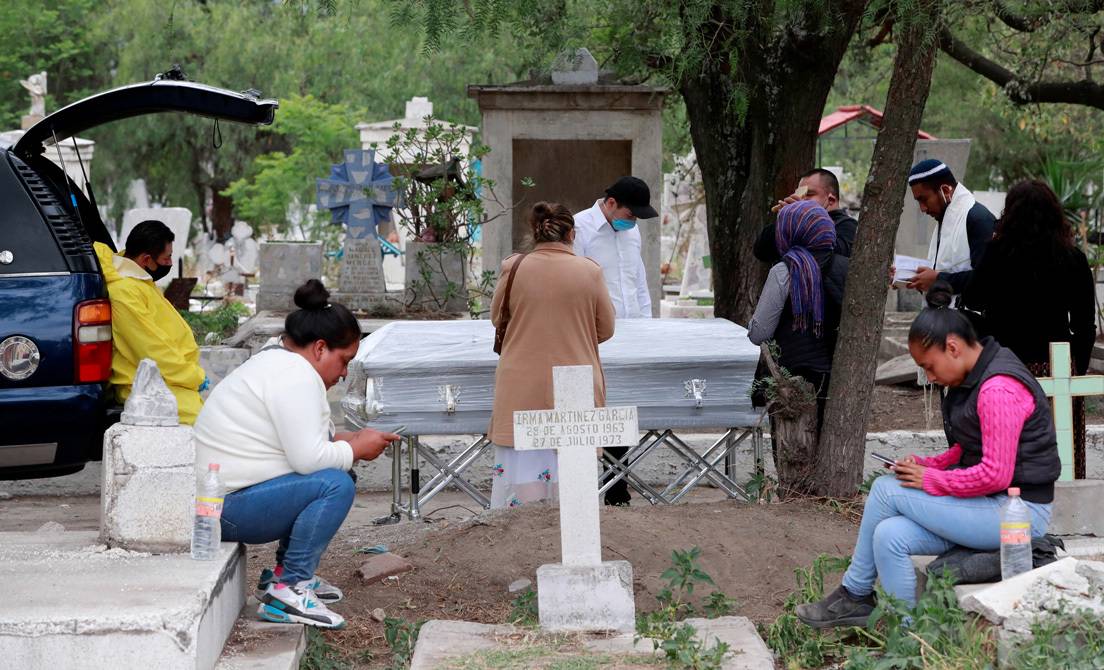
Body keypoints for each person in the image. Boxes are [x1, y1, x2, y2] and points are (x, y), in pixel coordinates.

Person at [796, 282, 1059, 629]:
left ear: (952, 347)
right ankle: (908, 637)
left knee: (887, 490)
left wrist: (931, 480)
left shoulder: (998, 388)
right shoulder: (974, 378)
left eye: (929, 366)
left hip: (1019, 514)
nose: (930, 377)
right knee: (888, 535)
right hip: (987, 505)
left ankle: (856, 593)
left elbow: (995, 472)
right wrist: (928, 464)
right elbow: (971, 445)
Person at [194, 280, 401, 629]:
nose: (345, 372)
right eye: (344, 360)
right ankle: (289, 587)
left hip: (222, 502)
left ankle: (283, 574)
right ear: (320, 348)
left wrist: (352, 441)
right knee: (334, 484)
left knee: (337, 473)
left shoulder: (280, 362)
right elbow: (308, 460)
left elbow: (306, 443)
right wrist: (353, 448)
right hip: (224, 510)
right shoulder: (294, 375)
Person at [964, 180, 1096, 479]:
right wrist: (1074, 369)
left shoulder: (997, 254)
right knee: (1059, 449)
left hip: (1006, 368)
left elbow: (972, 301)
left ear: (1009, 213)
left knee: (1009, 451)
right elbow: (1085, 325)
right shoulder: (1072, 259)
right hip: (1057, 367)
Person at [489, 202, 616, 509]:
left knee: (523, 470)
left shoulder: (514, 268)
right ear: (572, 234)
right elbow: (606, 328)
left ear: (535, 233)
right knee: (574, 475)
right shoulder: (590, 272)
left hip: (521, 384)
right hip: (575, 382)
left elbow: (497, 319)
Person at [574, 176, 656, 505]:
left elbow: (637, 280)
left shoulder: (630, 231)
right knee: (595, 407)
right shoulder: (580, 227)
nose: (632, 221)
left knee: (623, 407)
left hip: (632, 330)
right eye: (630, 214)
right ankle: (592, 485)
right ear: (610, 204)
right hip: (595, 332)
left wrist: (648, 323)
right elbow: (575, 279)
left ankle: (616, 484)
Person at [748, 200, 849, 432]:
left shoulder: (784, 270)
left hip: (791, 382)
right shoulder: (849, 268)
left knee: (794, 452)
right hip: (836, 378)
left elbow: (759, 333)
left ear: (788, 232)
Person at [93, 220, 206, 424]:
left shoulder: (138, 279)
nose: (170, 263)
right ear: (146, 259)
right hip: (150, 384)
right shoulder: (124, 291)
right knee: (207, 423)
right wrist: (192, 376)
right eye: (167, 257)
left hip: (171, 377)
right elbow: (150, 349)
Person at [902, 159, 996, 294]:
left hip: (967, 315)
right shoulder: (945, 217)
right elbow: (942, 269)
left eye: (924, 199)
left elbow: (989, 279)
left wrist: (939, 280)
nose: (922, 208)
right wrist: (909, 276)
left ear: (945, 190)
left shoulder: (978, 218)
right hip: (943, 314)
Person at [754, 168, 859, 263]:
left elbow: (839, 255)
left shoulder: (848, 225)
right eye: (799, 194)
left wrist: (808, 217)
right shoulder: (794, 222)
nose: (801, 200)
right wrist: (785, 220)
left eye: (808, 194)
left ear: (831, 200)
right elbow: (761, 252)